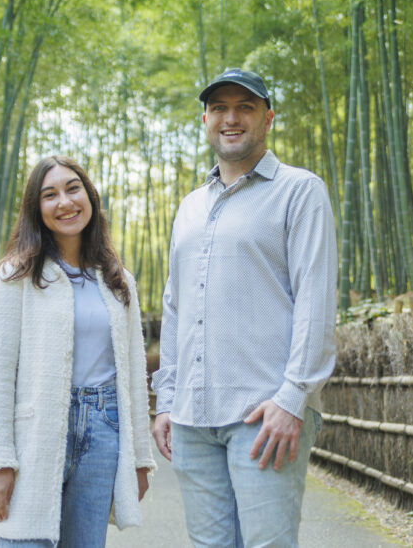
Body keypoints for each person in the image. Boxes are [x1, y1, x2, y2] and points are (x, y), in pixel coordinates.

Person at [152, 68, 338, 547]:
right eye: (220, 108)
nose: (231, 118)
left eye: (245, 107)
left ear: (268, 118)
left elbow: (316, 303)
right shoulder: (190, 206)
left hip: (265, 413)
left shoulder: (300, 191)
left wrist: (293, 398)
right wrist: (167, 400)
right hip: (192, 419)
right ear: (206, 119)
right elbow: (174, 307)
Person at [0, 155, 156, 547]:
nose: (65, 202)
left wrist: (141, 458)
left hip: (103, 429)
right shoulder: (16, 275)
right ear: (36, 209)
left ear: (89, 195)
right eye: (49, 194)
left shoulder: (117, 280)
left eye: (73, 189)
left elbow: (133, 375)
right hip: (35, 430)